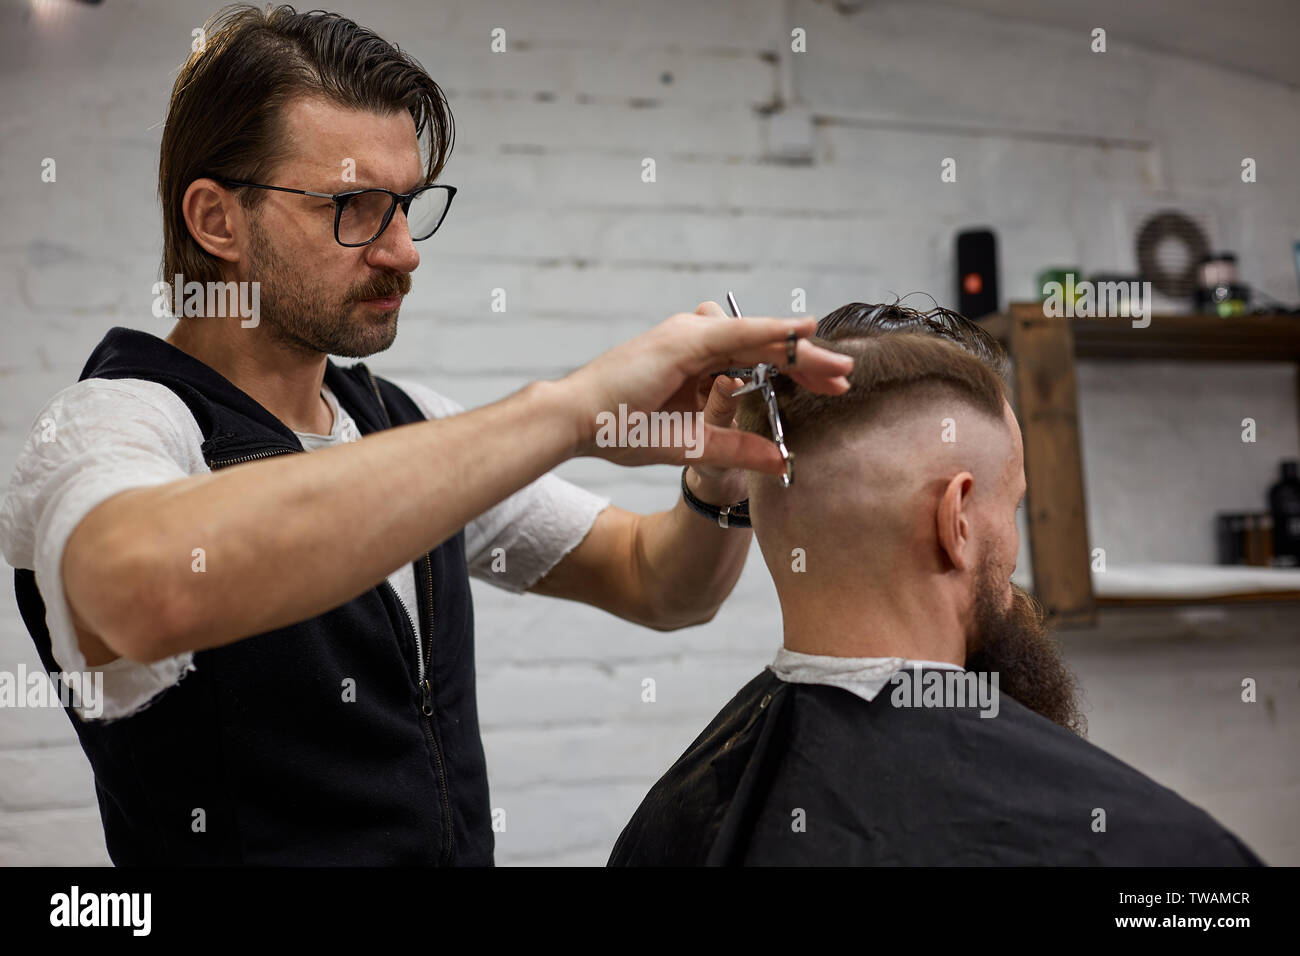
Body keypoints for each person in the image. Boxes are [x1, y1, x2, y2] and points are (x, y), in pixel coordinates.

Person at [0, 5, 855, 865]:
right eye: (355, 209)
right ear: (217, 221)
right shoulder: (114, 423)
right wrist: (567, 411)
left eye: (406, 205)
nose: (404, 251)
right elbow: (143, 591)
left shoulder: (406, 425)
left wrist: (714, 481)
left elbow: (657, 583)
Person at [608, 304, 1263, 866]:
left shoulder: (668, 822)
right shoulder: (1156, 850)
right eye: (1010, 509)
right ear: (957, 519)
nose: (1011, 557)